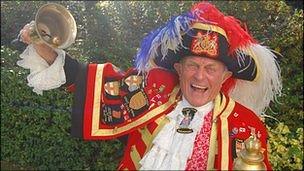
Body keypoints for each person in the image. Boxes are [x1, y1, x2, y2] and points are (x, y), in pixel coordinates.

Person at [17, 2, 281, 170]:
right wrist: (40, 43)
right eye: (193, 66)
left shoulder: (246, 126)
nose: (200, 77)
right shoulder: (156, 89)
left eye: (211, 69)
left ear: (225, 77)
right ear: (178, 69)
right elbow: (81, 78)